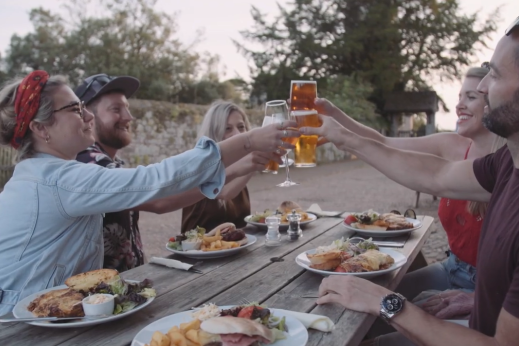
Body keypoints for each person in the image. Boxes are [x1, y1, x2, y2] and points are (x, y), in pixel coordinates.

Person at [0, 71, 299, 314]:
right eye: (75, 109)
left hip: (49, 313)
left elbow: (159, 194)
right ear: (41, 128)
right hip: (26, 321)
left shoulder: (49, 174)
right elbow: (157, 183)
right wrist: (246, 142)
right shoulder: (57, 180)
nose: (87, 116)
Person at [301, 19, 519, 345]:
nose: (484, 86)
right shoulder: (508, 163)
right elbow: (437, 175)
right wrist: (345, 138)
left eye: (495, 74)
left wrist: (384, 302)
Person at [318, 67, 506, 320]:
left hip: (492, 287)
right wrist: (332, 113)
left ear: (493, 102)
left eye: (471, 97)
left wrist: (482, 299)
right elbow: (383, 143)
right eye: (459, 96)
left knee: (388, 317)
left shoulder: (508, 165)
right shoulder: (451, 145)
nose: (459, 105)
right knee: (356, 310)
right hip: (453, 267)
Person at [74, 75, 277, 271]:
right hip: (96, 298)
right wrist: (242, 155)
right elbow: (161, 200)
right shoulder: (90, 162)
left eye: (127, 107)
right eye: (115, 109)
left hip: (125, 288)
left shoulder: (113, 162)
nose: (128, 116)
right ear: (88, 116)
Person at [181, 101, 259, 233]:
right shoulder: (200, 165)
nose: (237, 134)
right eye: (227, 128)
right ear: (214, 132)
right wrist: (256, 161)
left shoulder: (238, 167)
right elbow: (224, 192)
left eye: (241, 127)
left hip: (237, 250)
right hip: (198, 251)